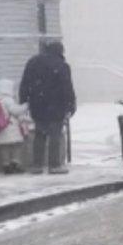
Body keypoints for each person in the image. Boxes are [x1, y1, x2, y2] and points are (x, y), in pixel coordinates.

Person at [19, 41, 77, 175]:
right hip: (56, 105)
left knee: (40, 134)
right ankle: (54, 165)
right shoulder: (62, 66)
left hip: (37, 104)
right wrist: (71, 105)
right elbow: (67, 87)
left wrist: (24, 99)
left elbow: (25, 83)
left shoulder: (33, 63)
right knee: (55, 134)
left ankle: (37, 165)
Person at [0, 78, 30, 174]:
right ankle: (15, 163)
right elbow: (15, 111)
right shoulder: (8, 100)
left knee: (4, 147)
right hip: (10, 127)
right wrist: (26, 106)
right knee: (16, 145)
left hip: (0, 128)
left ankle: (6, 165)